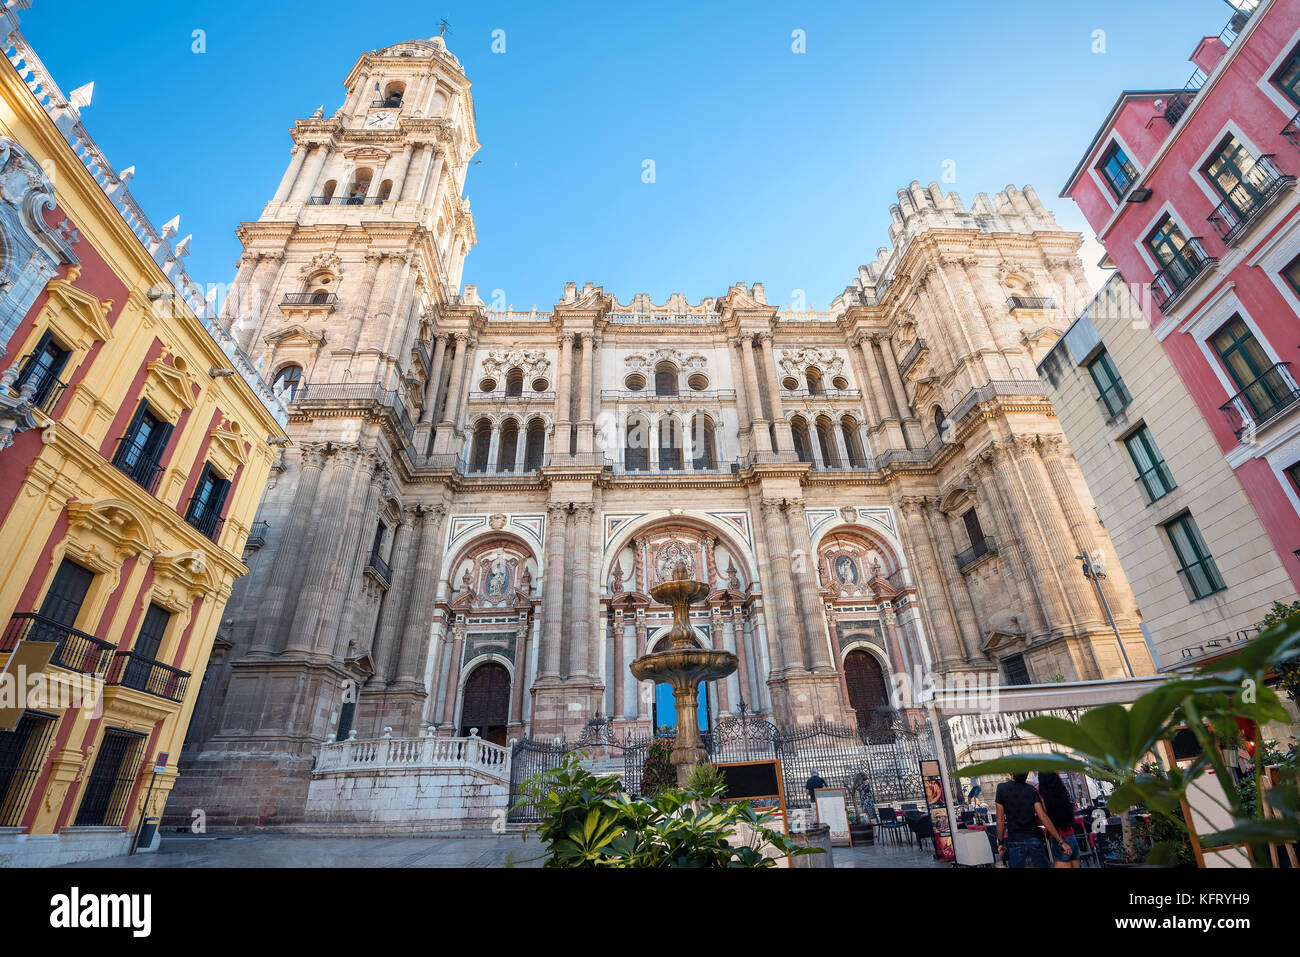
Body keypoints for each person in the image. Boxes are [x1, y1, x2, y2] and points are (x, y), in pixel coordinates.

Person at [995, 772, 1070, 868]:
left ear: (1012, 773)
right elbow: (1043, 816)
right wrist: (1061, 841)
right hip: (1033, 837)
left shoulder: (1002, 788)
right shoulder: (1031, 790)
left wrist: (1001, 842)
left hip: (1015, 839)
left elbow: (1000, 819)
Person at [1037, 771, 1080, 868]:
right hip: (1071, 836)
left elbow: (1043, 819)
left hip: (1059, 839)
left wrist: (1061, 842)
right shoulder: (1062, 793)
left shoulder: (1044, 798)